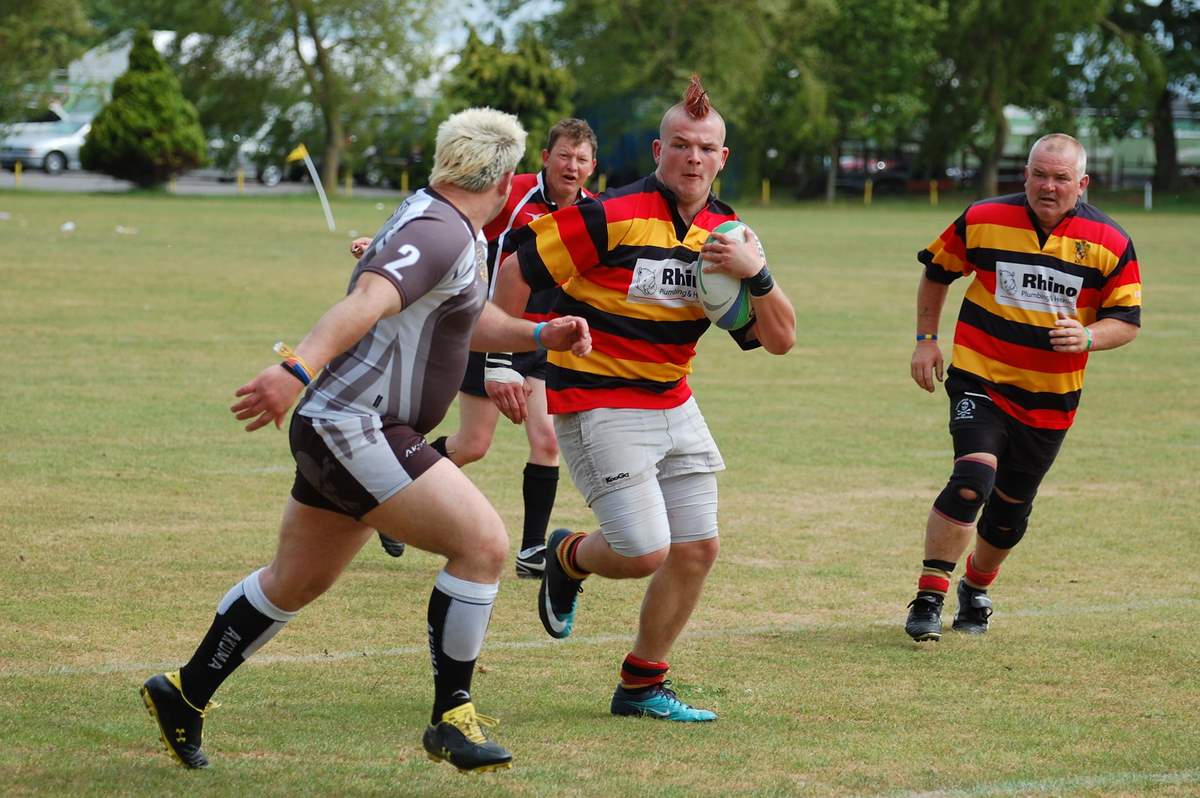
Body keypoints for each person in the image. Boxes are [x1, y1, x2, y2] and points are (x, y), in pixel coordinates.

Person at [138, 107, 592, 773]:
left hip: (342, 426)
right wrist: (295, 368)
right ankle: (452, 718)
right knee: (484, 545)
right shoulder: (442, 230)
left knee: (295, 581)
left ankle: (184, 692)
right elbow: (368, 300)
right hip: (357, 425)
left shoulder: (445, 221)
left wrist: (540, 334)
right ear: (502, 181)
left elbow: (463, 318)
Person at [489, 75, 796, 721]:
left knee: (698, 547)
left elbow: (779, 340)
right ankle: (568, 557)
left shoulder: (727, 233)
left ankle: (641, 685)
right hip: (598, 398)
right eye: (680, 145)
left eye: (705, 148)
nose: (693, 158)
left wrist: (758, 274)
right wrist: (502, 362)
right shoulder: (612, 214)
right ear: (659, 150)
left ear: (722, 158)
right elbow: (516, 271)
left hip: (673, 399)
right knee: (643, 550)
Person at [904, 133, 1141, 642]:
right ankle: (928, 596)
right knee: (972, 480)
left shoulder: (1111, 242)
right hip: (980, 377)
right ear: (1025, 174)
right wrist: (926, 341)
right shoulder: (984, 218)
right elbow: (937, 272)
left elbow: (1126, 321)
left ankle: (976, 587)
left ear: (1082, 183)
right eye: (1039, 174)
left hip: (1051, 398)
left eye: (1060, 178)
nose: (1047, 186)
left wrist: (1088, 336)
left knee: (1010, 512)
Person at [355, 119, 599, 577]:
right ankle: (389, 496)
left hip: (544, 336)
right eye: (565, 155)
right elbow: (450, 219)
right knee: (473, 444)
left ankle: (532, 551)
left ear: (593, 166)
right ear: (546, 158)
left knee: (546, 440)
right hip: (491, 331)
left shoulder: (594, 210)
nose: (572, 166)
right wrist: (386, 247)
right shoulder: (513, 192)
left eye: (582, 159)